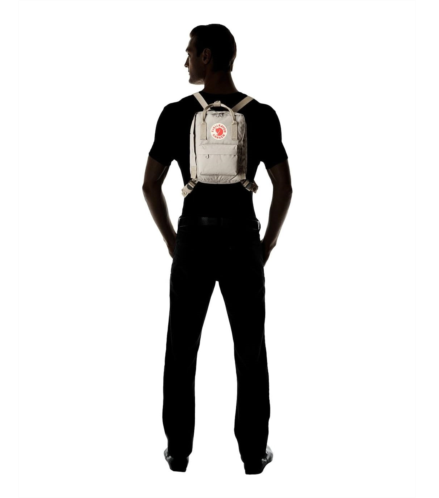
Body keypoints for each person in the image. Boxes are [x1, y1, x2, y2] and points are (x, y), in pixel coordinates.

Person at [142, 24, 293, 475]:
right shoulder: (262, 114)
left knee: (181, 347)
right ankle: (253, 454)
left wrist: (173, 241)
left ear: (207, 56)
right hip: (243, 240)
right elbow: (284, 187)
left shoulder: (175, 114)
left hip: (193, 238)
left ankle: (178, 451)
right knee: (250, 349)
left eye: (190, 52)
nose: (186, 60)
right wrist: (267, 243)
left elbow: (149, 185)